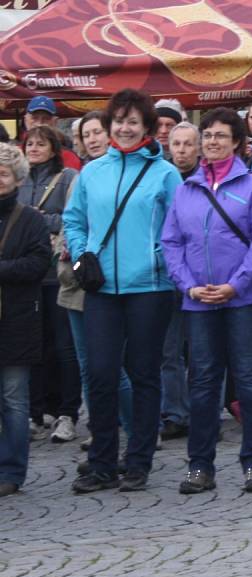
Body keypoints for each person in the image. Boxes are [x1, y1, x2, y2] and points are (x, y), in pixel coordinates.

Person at [63, 88, 183, 494]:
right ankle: (101, 462)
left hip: (150, 286)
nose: (125, 128)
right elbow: (74, 220)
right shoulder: (92, 172)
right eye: (120, 121)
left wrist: (159, 258)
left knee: (144, 374)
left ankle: (139, 461)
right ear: (109, 125)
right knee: (99, 374)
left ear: (147, 127)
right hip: (101, 287)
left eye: (134, 122)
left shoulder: (164, 173)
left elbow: (177, 228)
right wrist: (83, 256)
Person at [162, 107, 252, 494]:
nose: (212, 142)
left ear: (237, 143)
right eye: (207, 135)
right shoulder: (186, 189)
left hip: (245, 299)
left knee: (249, 380)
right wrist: (188, 286)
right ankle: (200, 465)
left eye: (221, 136)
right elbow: (171, 242)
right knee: (203, 382)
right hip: (199, 300)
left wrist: (236, 284)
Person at [56, 112, 135, 465]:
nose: (92, 139)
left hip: (113, 281)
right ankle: (101, 430)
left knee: (113, 366)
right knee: (89, 366)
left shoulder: (120, 174)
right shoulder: (83, 176)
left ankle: (135, 429)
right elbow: (69, 225)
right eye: (85, 135)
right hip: (76, 283)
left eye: (97, 132)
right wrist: (74, 252)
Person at [18, 125, 81, 443]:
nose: (33, 149)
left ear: (53, 148)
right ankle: (35, 410)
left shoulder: (68, 177)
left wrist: (38, 218)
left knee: (65, 346)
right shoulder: (18, 178)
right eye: (29, 143)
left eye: (40, 144)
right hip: (28, 275)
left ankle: (68, 412)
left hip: (58, 273)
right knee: (34, 346)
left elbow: (71, 218)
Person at [0, 143, 51, 497]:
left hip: (17, 321)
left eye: (3, 173)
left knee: (14, 400)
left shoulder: (30, 219)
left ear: (17, 178)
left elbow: (38, 264)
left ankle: (12, 471)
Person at [159, 121, 202, 442]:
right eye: (177, 144)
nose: (183, 150)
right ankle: (175, 411)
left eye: (189, 144)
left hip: (203, 278)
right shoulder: (161, 178)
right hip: (168, 275)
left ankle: (203, 410)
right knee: (169, 351)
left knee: (203, 350)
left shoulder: (207, 181)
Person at [23, 96, 81, 171]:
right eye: (35, 118)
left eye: (46, 119)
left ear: (55, 122)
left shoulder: (68, 157)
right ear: (25, 120)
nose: (39, 123)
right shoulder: (14, 153)